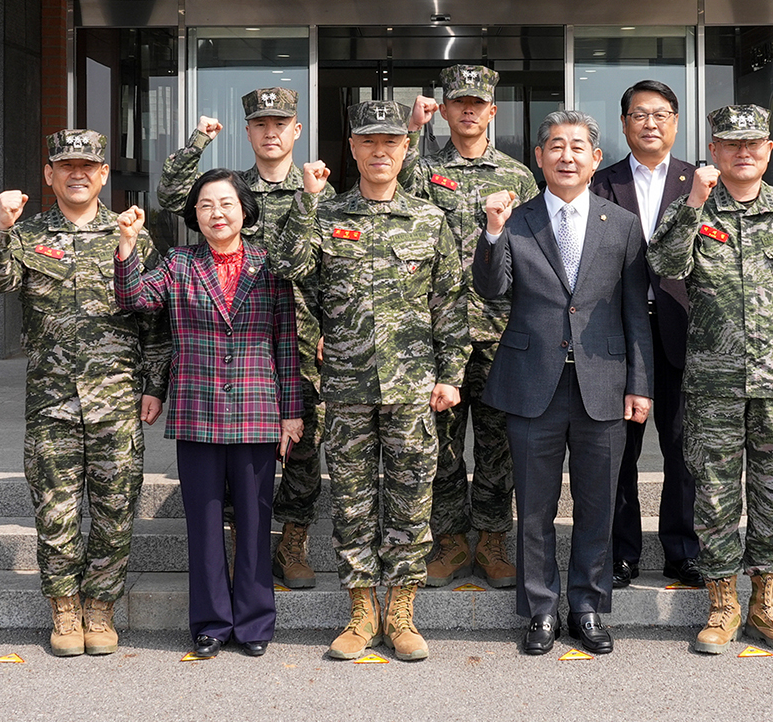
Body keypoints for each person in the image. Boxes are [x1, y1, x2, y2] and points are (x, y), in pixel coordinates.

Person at [265, 98, 472, 662]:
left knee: (409, 501)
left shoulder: (430, 220)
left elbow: (450, 303)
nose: (380, 152)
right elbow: (287, 272)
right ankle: (361, 613)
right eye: (368, 142)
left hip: (412, 388)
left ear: (407, 149)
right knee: (354, 502)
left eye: (391, 142)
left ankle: (401, 616)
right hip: (348, 388)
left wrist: (451, 373)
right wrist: (307, 202)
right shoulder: (327, 216)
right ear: (352, 148)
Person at [645, 105, 773, 656]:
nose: (742, 152)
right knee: (716, 496)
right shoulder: (695, 209)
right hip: (712, 385)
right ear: (714, 150)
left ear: (769, 149)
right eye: (730, 144)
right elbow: (665, 264)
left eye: (753, 143)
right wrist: (694, 204)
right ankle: (722, 604)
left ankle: (768, 605)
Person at [471, 112, 654, 657]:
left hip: (604, 381)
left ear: (597, 158)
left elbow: (635, 313)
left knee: (597, 503)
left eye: (578, 147)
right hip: (533, 384)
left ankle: (589, 606)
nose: (567, 156)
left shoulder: (620, 224)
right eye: (556, 147)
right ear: (539, 155)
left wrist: (639, 383)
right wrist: (493, 232)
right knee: (533, 506)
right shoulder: (517, 218)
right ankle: (540, 609)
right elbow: (490, 287)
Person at [0, 129, 159, 657]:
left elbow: (154, 319)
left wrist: (154, 385)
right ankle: (63, 608)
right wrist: (1, 227)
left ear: (104, 174)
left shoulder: (133, 235)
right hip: (51, 400)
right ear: (49, 175)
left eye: (88, 165)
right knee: (54, 511)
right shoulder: (27, 233)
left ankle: (99, 608)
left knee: (115, 507)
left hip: (118, 399)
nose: (77, 173)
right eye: (66, 165)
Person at [116, 169, 303, 659]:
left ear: (244, 209)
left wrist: (291, 413)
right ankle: (211, 623)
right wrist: (129, 247)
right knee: (202, 524)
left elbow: (287, 342)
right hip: (198, 410)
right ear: (194, 215)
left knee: (255, 522)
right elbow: (136, 298)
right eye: (205, 205)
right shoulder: (179, 263)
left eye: (226, 203)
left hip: (258, 409)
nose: (216, 213)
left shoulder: (270, 264)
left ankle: (256, 621)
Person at [405, 65, 539, 590]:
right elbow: (391, 196)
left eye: (477, 103)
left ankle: (491, 540)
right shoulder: (421, 167)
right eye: (458, 101)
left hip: (499, 332)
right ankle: (450, 540)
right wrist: (415, 131)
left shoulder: (518, 177)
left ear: (492, 111)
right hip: (436, 333)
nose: (468, 110)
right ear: (444, 106)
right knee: (439, 446)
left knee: (497, 445)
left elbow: (531, 255)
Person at [214, 88, 327, 590]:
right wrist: (199, 140)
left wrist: (328, 328)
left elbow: (333, 271)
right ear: (248, 132)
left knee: (306, 444)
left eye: (281, 123)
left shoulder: (320, 193)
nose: (271, 132)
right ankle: (247, 544)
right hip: (246, 340)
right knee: (242, 444)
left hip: (304, 338)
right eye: (260, 124)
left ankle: (292, 543)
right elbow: (174, 196)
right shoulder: (231, 194)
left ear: (296, 130)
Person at [588, 80, 697, 589]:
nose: (649, 123)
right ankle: (622, 552)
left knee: (681, 446)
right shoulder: (600, 183)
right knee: (619, 448)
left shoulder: (701, 181)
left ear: (675, 122)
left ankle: (681, 549)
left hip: (683, 329)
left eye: (660, 114)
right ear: (625, 123)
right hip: (621, 331)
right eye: (638, 114)